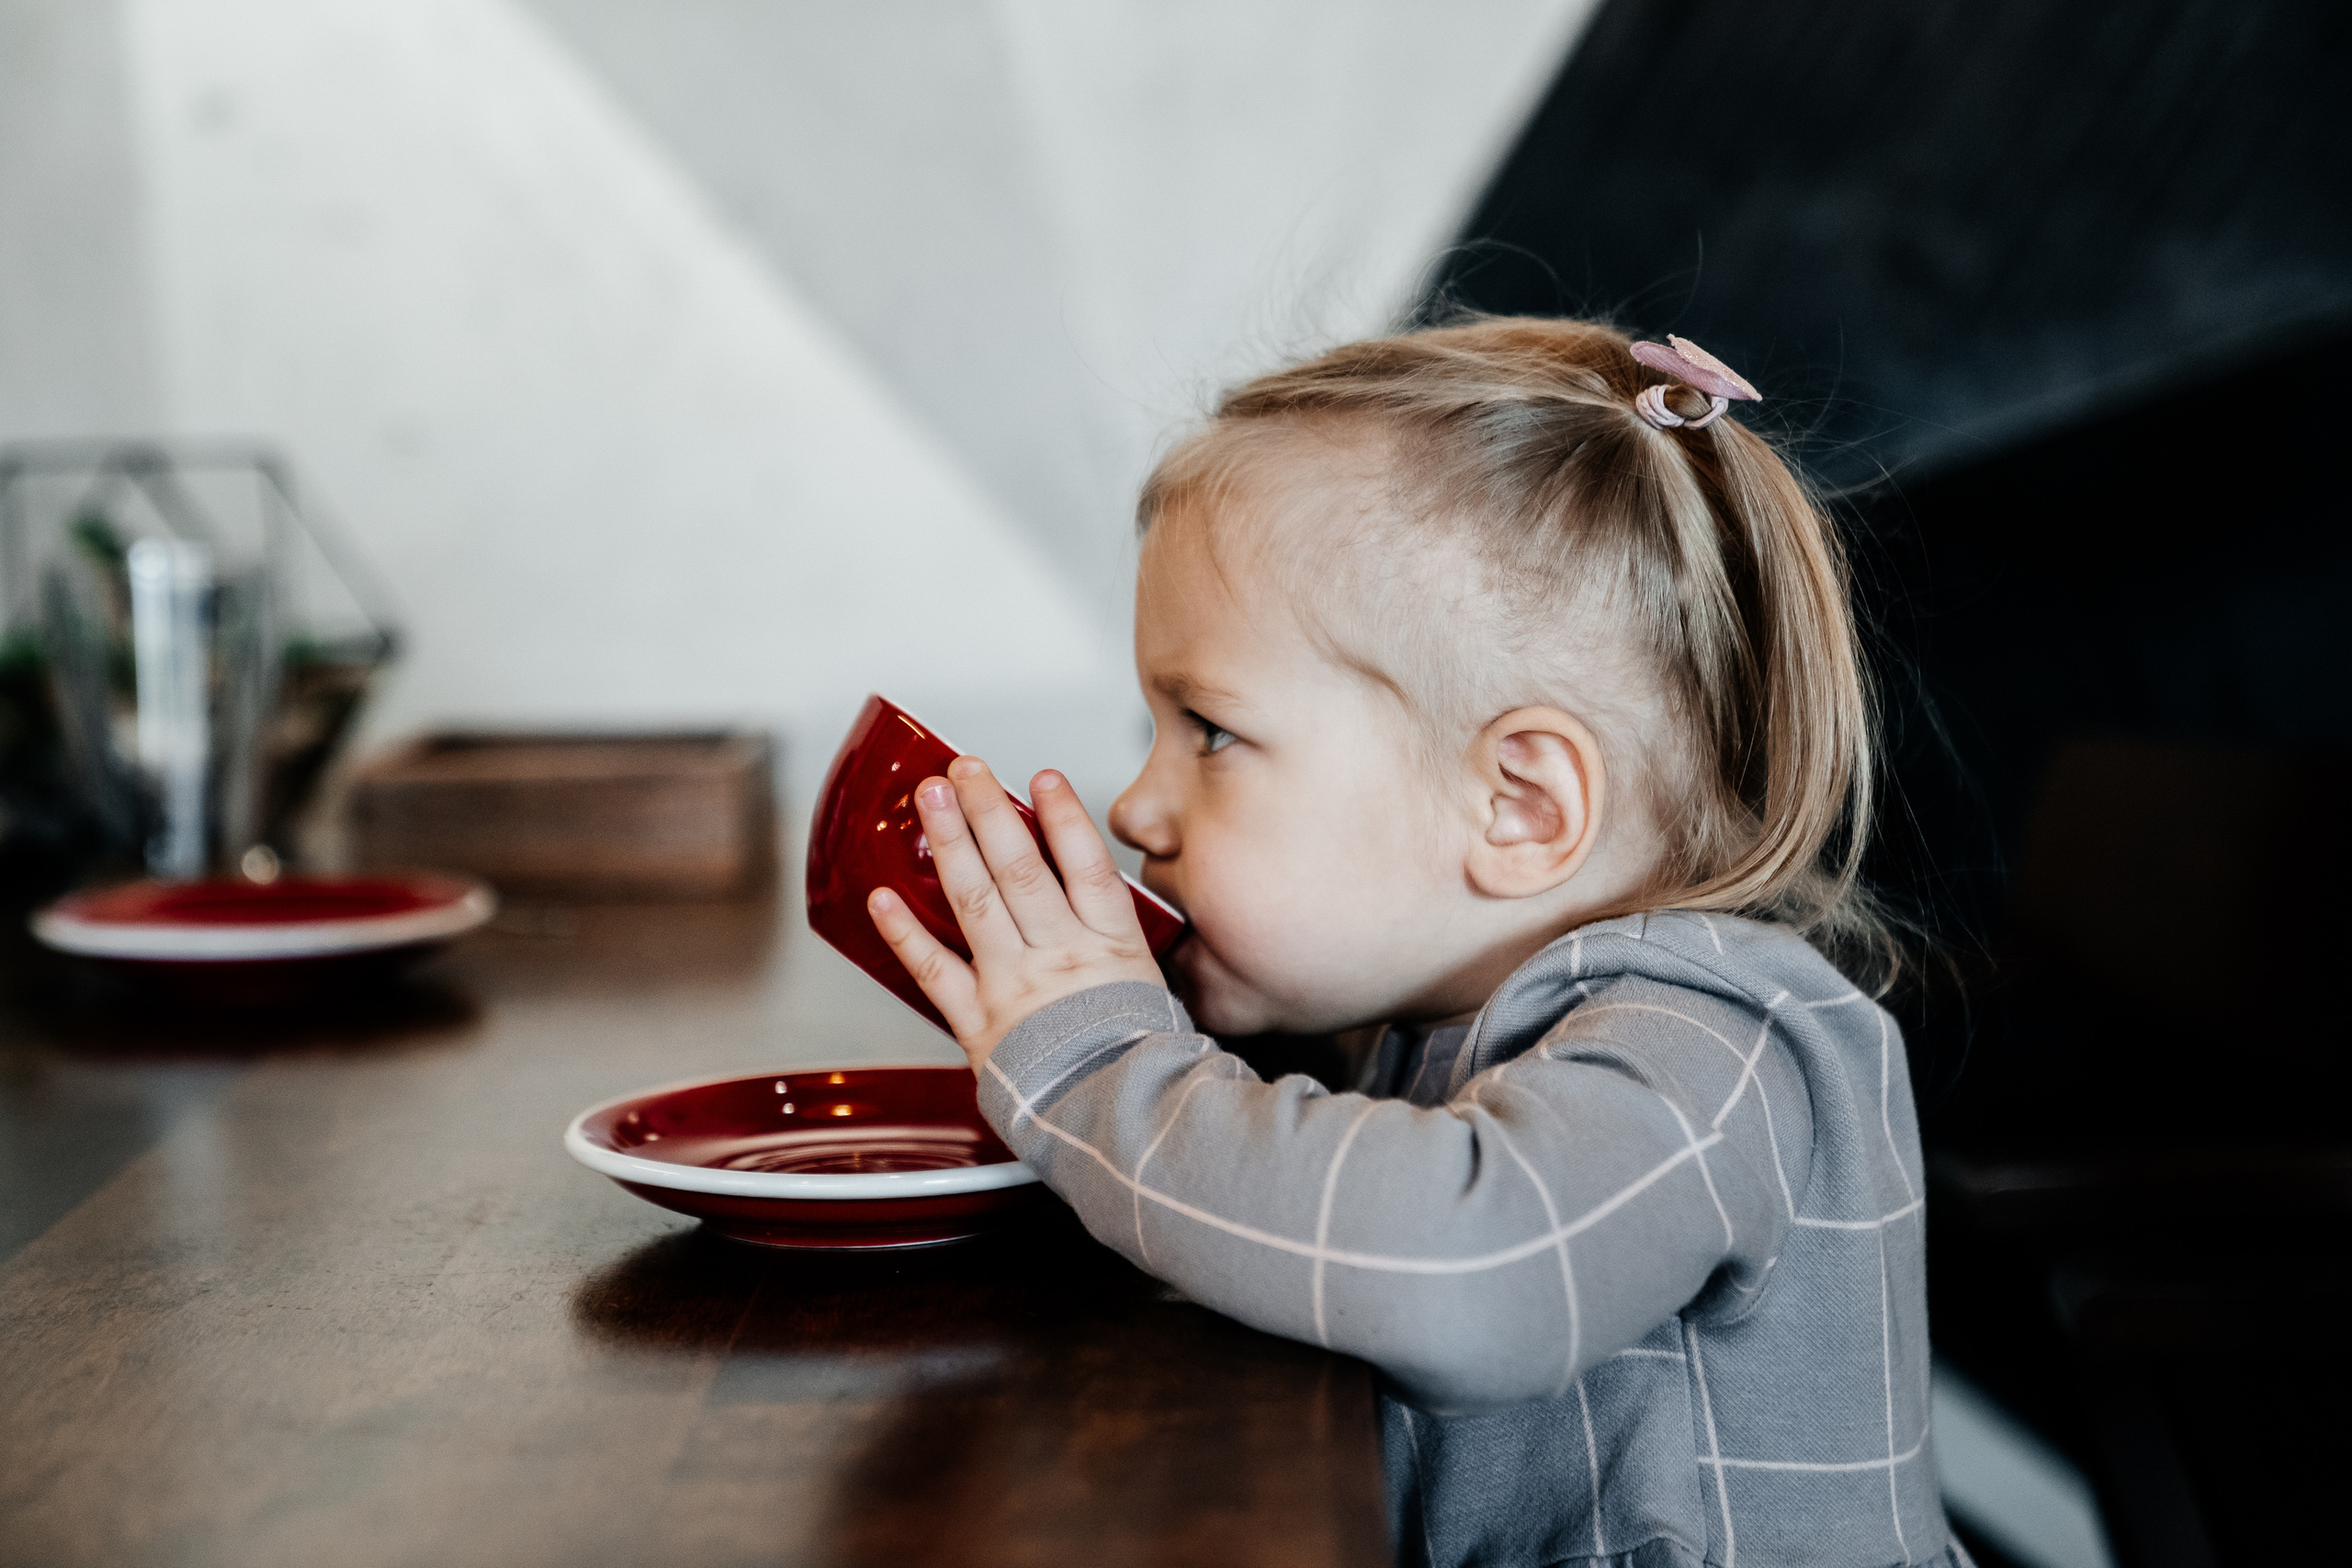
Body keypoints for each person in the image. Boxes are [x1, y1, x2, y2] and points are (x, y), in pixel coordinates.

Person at [865, 317, 1961, 1568]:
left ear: (1520, 808)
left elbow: (1464, 1277)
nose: (1136, 807)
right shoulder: (1428, 1027)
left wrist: (1094, 1073)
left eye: (1210, 732)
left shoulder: (1718, 1048)